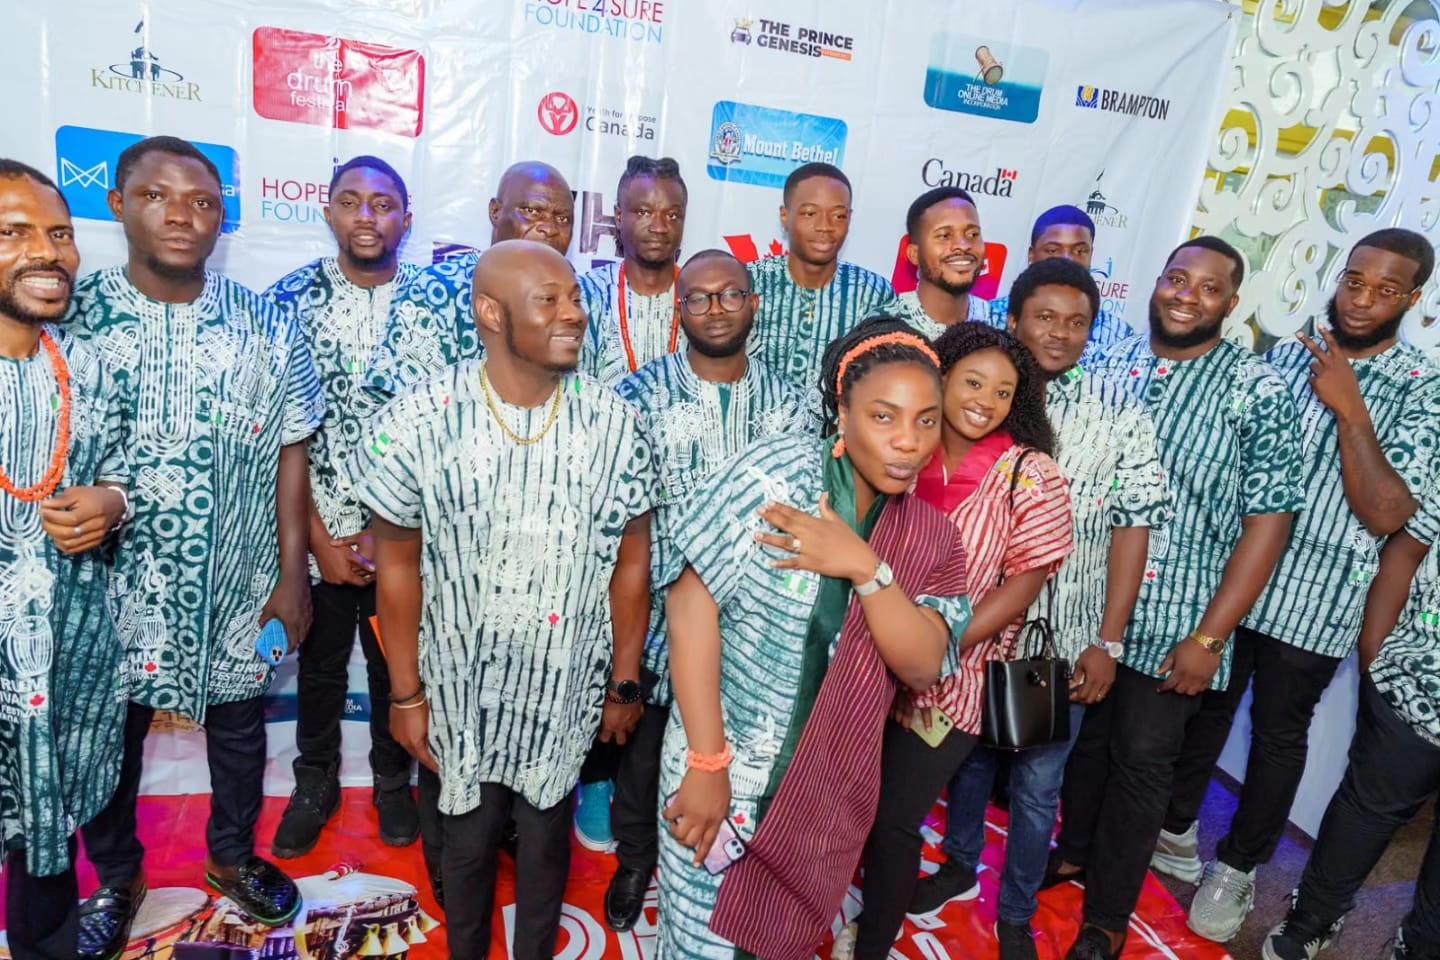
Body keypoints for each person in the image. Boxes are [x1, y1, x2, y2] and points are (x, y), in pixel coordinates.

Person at [356, 240, 654, 960]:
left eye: (575, 298)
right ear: (491, 313)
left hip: (563, 690)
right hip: (458, 692)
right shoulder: (422, 418)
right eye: (549, 300)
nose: (574, 314)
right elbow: (396, 567)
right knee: (464, 846)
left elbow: (633, 562)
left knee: (547, 845)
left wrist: (623, 681)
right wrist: (406, 693)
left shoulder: (615, 423)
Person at [70, 136, 324, 958]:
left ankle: (231, 856)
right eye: (158, 196)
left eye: (203, 202)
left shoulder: (267, 322)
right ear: (118, 204)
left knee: (241, 730)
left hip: (237, 576)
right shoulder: (75, 318)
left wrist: (292, 574)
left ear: (224, 219)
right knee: (110, 740)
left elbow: (293, 447)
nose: (182, 215)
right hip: (108, 585)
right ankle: (117, 876)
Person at [657, 319, 972, 960]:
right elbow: (691, 608)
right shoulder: (774, 478)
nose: (908, 442)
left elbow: (922, 666)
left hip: (823, 805)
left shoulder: (932, 536)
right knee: (701, 947)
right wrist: (707, 763)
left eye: (926, 421)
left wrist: (865, 568)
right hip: (726, 776)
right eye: (883, 417)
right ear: (842, 413)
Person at [1156, 229, 1440, 942]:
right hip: (1234, 572)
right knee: (1203, 709)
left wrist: (1351, 407)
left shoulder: (1422, 388)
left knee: (1278, 735)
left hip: (1316, 599)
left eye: (1385, 289)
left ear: (1412, 299)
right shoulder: (1286, 354)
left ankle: (1238, 866)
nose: (1363, 299)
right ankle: (1176, 827)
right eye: (1354, 280)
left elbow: (1387, 513)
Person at [907, 261, 1172, 958]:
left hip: (1061, 638)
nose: (1060, 333)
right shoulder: (976, 397)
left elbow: (1134, 527)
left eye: (1077, 322)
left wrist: (1108, 642)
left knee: (1037, 785)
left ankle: (1017, 913)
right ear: (1014, 319)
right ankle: (959, 864)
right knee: (967, 765)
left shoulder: (1119, 410)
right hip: (971, 634)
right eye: (1045, 317)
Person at [1053, 237, 1305, 960]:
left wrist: (1211, 637)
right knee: (1085, 747)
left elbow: (1270, 523)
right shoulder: (1115, 361)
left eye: (1208, 287)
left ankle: (1106, 916)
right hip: (1091, 601)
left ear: (1232, 303)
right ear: (1157, 283)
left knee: (1141, 764)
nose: (1187, 295)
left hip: (1179, 620)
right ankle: (1071, 857)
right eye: (1176, 278)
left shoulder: (1255, 389)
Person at [844, 322, 1074, 960]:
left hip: (954, 680)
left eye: (1004, 392)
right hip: (863, 663)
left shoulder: (1028, 473)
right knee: (849, 803)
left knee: (894, 820)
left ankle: (872, 944)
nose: (986, 401)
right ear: (940, 378)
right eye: (973, 382)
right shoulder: (902, 451)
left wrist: (929, 651)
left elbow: (1022, 587)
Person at [599, 248, 808, 931]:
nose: (716, 309)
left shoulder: (790, 401)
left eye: (730, 295)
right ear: (679, 308)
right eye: (699, 298)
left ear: (753, 304)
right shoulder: (638, 397)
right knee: (643, 761)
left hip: (758, 632)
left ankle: (735, 883)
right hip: (663, 626)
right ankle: (637, 861)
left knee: (747, 767)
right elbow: (623, 522)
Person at [262, 156, 424, 860]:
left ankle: (392, 782)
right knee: (322, 666)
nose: (367, 216)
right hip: (317, 532)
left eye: (383, 204)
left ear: (406, 220)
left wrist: (392, 535)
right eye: (351, 201)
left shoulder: (436, 304)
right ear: (328, 211)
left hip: (407, 537)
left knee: (396, 668)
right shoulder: (286, 301)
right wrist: (319, 540)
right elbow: (279, 432)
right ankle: (315, 783)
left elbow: (447, 424)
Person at [0, 160, 130, 960]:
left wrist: (112, 502)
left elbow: (124, 473)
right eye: (13, 233)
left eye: (59, 234)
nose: (46, 252)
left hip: (60, 672)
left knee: (42, 846)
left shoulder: (89, 366)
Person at [1262, 456, 1440, 960]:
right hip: (1413, 688)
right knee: (1366, 812)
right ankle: (1313, 916)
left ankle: (1419, 946)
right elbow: (1406, 551)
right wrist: (1374, 655)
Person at [366, 160, 574, 398]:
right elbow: (396, 407)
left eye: (562, 219)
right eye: (532, 211)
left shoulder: (580, 305)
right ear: (495, 212)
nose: (549, 228)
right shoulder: (435, 291)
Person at [747, 162, 896, 422]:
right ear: (785, 216)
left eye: (838, 216)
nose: (825, 226)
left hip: (836, 441)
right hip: (751, 435)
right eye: (810, 213)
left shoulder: (874, 294)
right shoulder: (750, 282)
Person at [577, 155, 688, 389]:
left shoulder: (702, 300)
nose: (659, 227)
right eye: (644, 212)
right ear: (618, 217)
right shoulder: (585, 294)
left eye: (672, 215)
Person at [986, 206, 1132, 363]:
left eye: (1079, 251)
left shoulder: (1119, 335)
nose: (1067, 260)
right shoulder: (989, 317)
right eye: (1053, 250)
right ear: (1032, 255)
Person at [893, 187, 990, 337]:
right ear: (914, 254)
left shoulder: (1001, 325)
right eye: (944, 236)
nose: (963, 246)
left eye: (972, 234)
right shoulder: (885, 328)